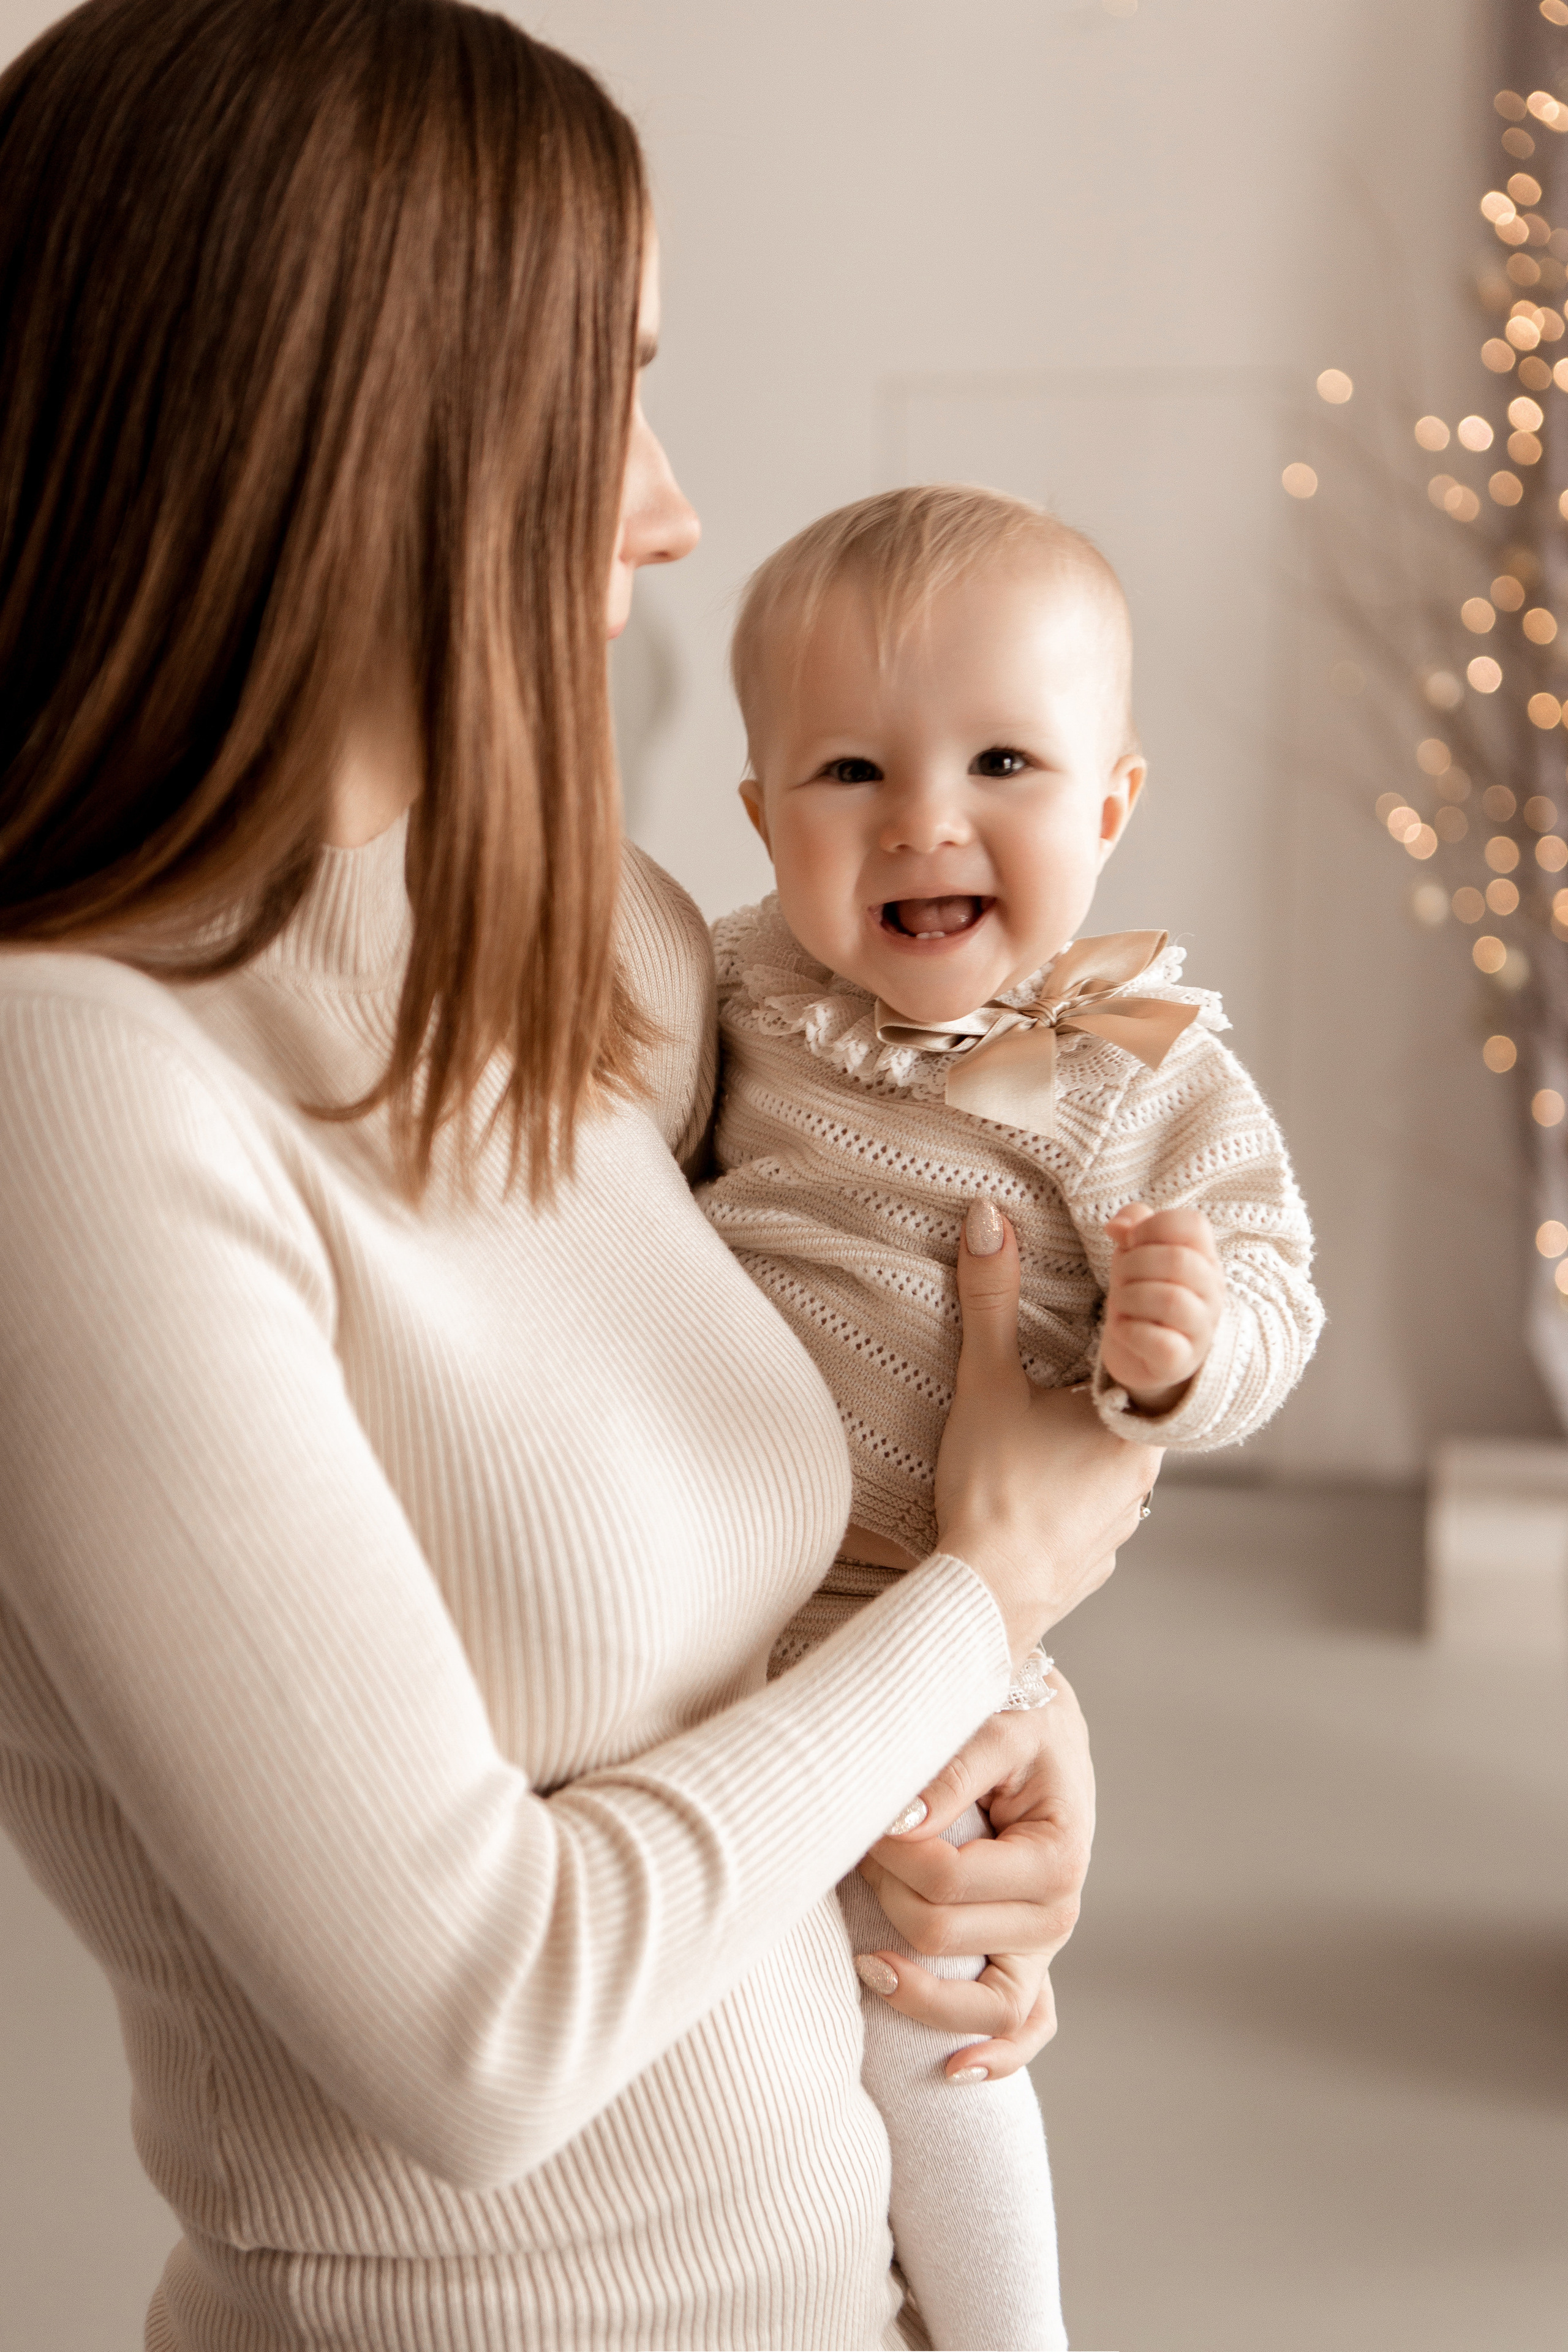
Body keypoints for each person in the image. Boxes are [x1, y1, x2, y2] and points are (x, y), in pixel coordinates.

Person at [0, 6, 1158, 2347]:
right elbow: (474, 2025)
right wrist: (988, 1595)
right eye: (598, 390)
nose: (669, 500)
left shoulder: (580, 941)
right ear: (361, 441)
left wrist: (988, 1764)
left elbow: (718, 1637)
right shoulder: (69, 1092)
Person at [700, 483, 1326, 2350]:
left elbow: (1279, 1284)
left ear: (1111, 804)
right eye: (844, 771)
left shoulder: (1140, 1070)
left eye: (1001, 760)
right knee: (763, 2030)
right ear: (758, 816)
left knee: (934, 2016)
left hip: (934, 1632)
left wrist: (1182, 1348)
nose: (923, 819)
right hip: (715, 1622)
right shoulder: (738, 995)